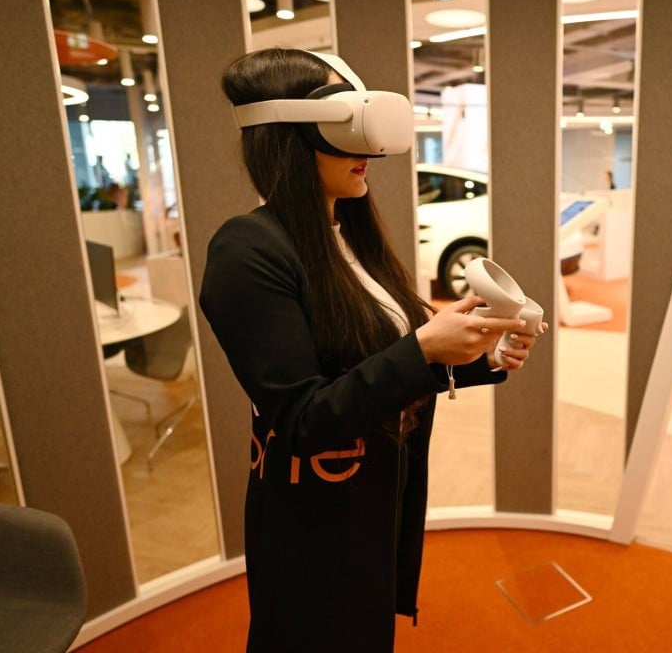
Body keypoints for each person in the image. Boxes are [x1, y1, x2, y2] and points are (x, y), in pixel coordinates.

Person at [200, 47, 546, 651]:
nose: (367, 149)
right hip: (314, 521)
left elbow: (374, 368)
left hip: (373, 499)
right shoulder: (247, 251)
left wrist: (479, 353)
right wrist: (424, 348)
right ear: (288, 136)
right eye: (343, 124)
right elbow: (304, 418)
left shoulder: (350, 234)